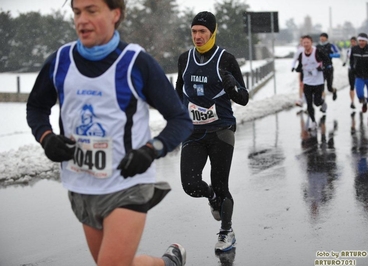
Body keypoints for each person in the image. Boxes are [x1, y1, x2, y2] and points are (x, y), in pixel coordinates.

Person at [26, 0, 193, 265]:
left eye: (91, 11)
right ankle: (168, 263)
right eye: (77, 12)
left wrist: (150, 151)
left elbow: (180, 119)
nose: (82, 20)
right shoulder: (60, 61)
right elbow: (36, 107)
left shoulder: (136, 63)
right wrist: (46, 138)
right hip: (82, 185)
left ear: (115, 14)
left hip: (128, 184)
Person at [175, 11, 249, 252]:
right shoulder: (185, 59)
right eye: (194, 31)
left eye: (202, 32)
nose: (197, 36)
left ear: (212, 32)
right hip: (193, 133)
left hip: (221, 130)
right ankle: (212, 198)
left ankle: (227, 231)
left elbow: (243, 98)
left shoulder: (225, 59)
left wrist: (231, 86)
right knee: (190, 184)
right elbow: (179, 92)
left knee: (221, 183)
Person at [296, 35, 330, 131]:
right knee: (309, 104)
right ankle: (313, 122)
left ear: (311, 43)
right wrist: (297, 69)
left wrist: (321, 68)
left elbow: (327, 60)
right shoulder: (301, 54)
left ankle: (322, 102)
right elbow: (300, 66)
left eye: (307, 42)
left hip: (318, 82)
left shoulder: (317, 52)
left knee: (317, 103)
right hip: (307, 83)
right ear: (302, 44)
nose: (306, 44)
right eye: (304, 43)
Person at [317, 32, 340, 101]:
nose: (322, 38)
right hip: (321, 69)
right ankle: (323, 102)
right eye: (321, 37)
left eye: (323, 37)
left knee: (329, 88)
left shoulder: (331, 45)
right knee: (321, 86)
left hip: (329, 68)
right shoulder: (317, 46)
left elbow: (338, 54)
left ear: (326, 38)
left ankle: (334, 91)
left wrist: (329, 55)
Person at [343, 36, 358, 109]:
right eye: (351, 41)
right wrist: (344, 63)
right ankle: (352, 102)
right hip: (351, 69)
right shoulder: (349, 50)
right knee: (351, 86)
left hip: (359, 69)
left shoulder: (359, 49)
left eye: (354, 41)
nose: (352, 43)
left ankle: (361, 97)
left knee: (358, 85)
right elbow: (346, 58)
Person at [291, 36, 305, 107]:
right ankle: (300, 99)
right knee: (301, 85)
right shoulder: (300, 50)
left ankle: (310, 101)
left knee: (310, 86)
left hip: (312, 71)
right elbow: (295, 59)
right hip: (302, 70)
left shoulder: (313, 49)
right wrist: (293, 66)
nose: (302, 43)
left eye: (304, 41)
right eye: (301, 41)